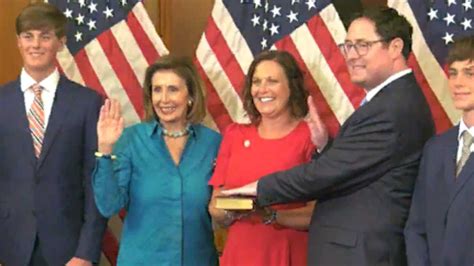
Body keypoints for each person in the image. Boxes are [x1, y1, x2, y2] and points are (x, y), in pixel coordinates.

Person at [223, 7, 435, 265]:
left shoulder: (395, 107)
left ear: (395, 47)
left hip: (363, 255)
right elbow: (358, 168)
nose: (351, 56)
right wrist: (325, 144)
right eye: (347, 46)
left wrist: (256, 189)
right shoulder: (389, 100)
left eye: (362, 45)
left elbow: (327, 173)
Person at [0, 3, 107, 266]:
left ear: (61, 42)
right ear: (18, 42)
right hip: (9, 248)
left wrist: (86, 251)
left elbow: (95, 182)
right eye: (28, 36)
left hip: (69, 250)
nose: (35, 44)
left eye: (45, 36)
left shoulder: (88, 103)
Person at [92, 55, 221, 265]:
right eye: (157, 90)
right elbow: (108, 206)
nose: (164, 99)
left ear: (190, 95)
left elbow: (224, 206)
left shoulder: (213, 143)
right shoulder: (131, 139)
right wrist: (105, 149)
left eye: (173, 89)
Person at [208, 50, 316, 266]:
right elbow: (215, 205)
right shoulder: (234, 135)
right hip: (239, 253)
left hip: (287, 253)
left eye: (272, 81)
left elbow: (318, 214)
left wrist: (270, 215)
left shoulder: (311, 137)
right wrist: (227, 213)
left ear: (291, 87)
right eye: (256, 82)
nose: (262, 89)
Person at [404, 35, 474, 266]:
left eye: (469, 73)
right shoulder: (436, 148)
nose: (457, 82)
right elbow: (416, 227)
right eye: (453, 73)